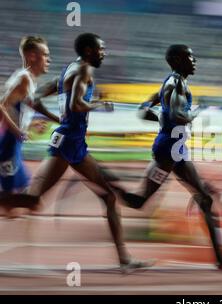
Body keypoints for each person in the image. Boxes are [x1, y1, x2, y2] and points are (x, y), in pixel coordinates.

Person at [14, 33, 145, 270]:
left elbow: (36, 97)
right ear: (87, 50)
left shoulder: (68, 70)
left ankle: (124, 259)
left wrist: (55, 118)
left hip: (72, 143)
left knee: (109, 197)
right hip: (68, 144)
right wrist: (100, 105)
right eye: (100, 49)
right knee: (33, 199)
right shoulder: (84, 70)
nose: (103, 53)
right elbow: (75, 104)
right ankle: (125, 259)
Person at [113, 44, 222, 272]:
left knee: (205, 198)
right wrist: (200, 109)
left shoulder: (173, 83)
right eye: (189, 57)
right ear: (176, 60)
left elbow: (143, 110)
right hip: (168, 152)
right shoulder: (175, 83)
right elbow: (179, 116)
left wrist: (163, 120)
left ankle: (221, 259)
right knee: (139, 201)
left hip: (177, 150)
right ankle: (107, 183)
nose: (194, 60)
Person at [0, 36, 59, 211]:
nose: (49, 59)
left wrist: (33, 125)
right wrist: (17, 130)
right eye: (45, 55)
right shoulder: (24, 79)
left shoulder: (28, 79)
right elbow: (2, 106)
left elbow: (22, 108)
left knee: (18, 200)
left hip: (13, 143)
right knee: (25, 200)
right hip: (8, 144)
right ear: (32, 56)